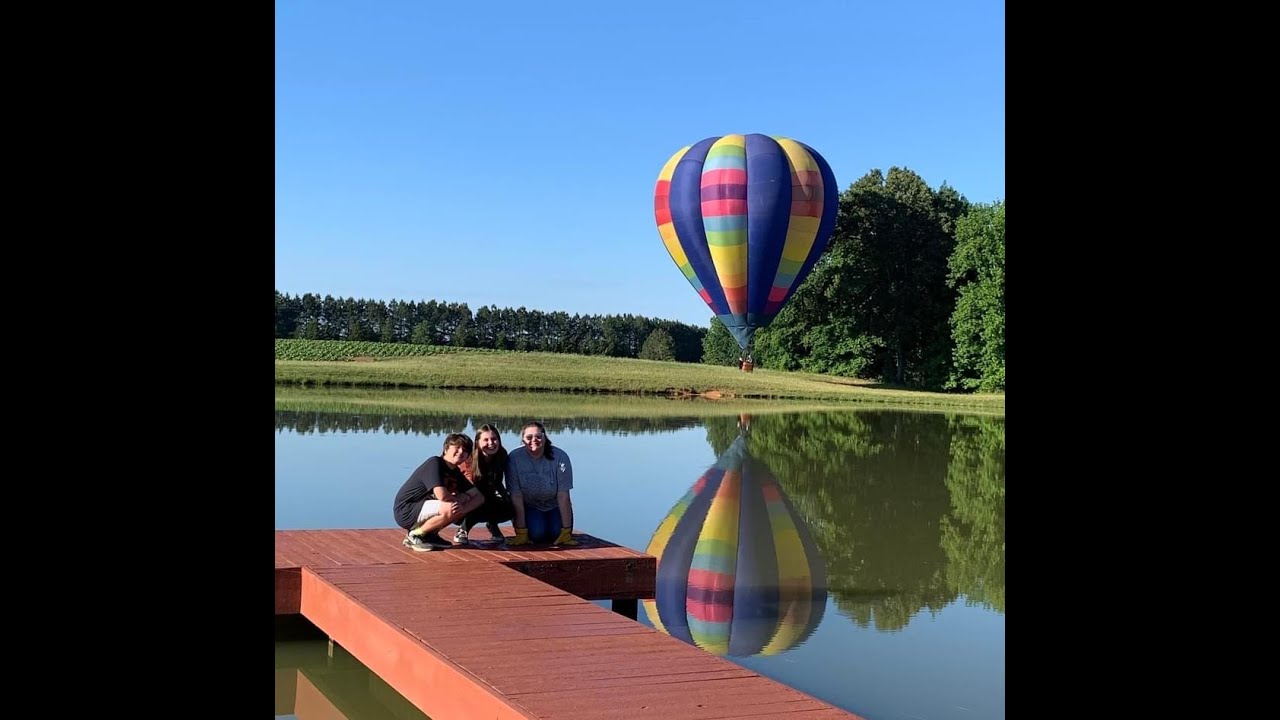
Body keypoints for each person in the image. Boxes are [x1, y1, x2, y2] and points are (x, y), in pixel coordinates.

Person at [392, 433, 485, 551]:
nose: (461, 451)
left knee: (463, 500)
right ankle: (415, 535)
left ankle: (429, 534)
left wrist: (463, 509)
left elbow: (479, 497)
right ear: (446, 449)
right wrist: (457, 504)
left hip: (423, 508)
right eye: (457, 447)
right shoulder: (434, 463)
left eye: (465, 450)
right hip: (406, 510)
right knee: (452, 506)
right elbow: (441, 495)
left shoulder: (455, 472)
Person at [505, 421, 577, 546]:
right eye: (529, 437)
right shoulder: (514, 458)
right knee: (537, 534)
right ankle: (528, 529)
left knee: (556, 534)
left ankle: (562, 530)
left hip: (554, 505)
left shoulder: (560, 457)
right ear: (523, 440)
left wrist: (566, 530)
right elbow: (516, 496)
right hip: (530, 505)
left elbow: (563, 495)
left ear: (544, 437)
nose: (534, 440)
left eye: (538, 436)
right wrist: (521, 531)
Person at [453, 423, 516, 544]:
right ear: (477, 442)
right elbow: (467, 487)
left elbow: (498, 482)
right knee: (480, 500)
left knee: (511, 507)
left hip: (487, 497)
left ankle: (492, 525)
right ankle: (463, 530)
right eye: (486, 440)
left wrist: (508, 498)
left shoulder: (501, 455)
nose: (491, 443)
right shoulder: (469, 459)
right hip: (464, 501)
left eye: (494, 439)